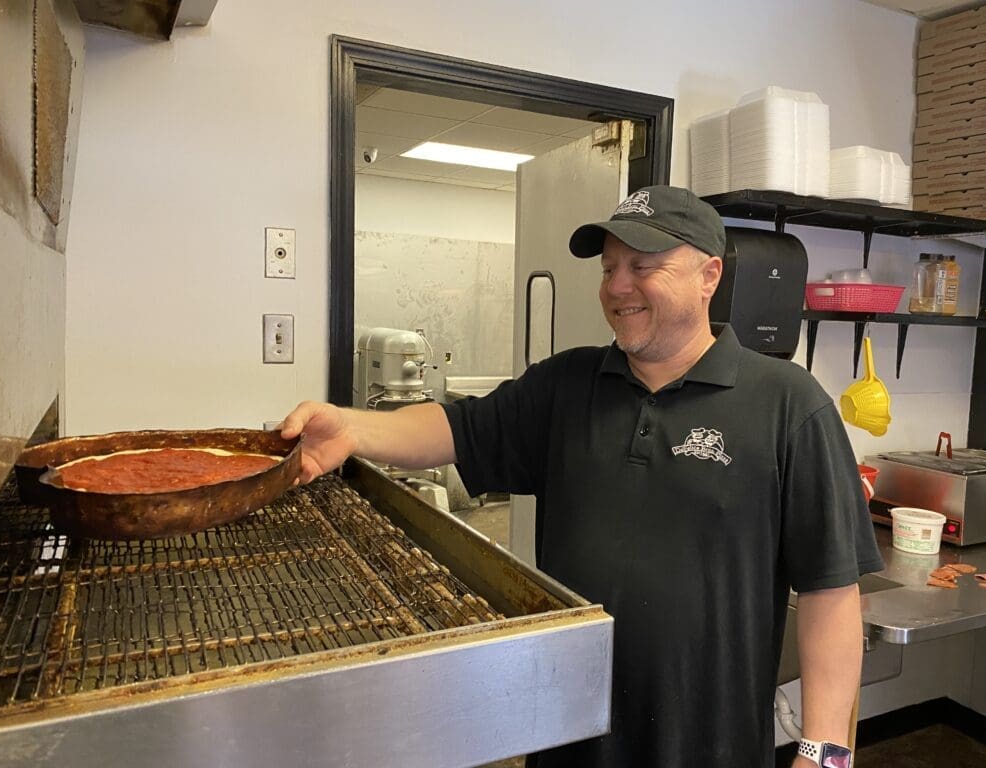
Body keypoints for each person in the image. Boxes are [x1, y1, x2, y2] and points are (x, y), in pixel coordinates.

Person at [280, 185, 883, 768]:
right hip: (570, 730)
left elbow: (830, 590)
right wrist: (354, 430)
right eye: (608, 267)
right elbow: (454, 429)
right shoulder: (565, 386)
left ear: (709, 277)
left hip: (708, 742)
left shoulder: (787, 405)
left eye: (643, 264)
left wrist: (825, 752)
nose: (618, 287)